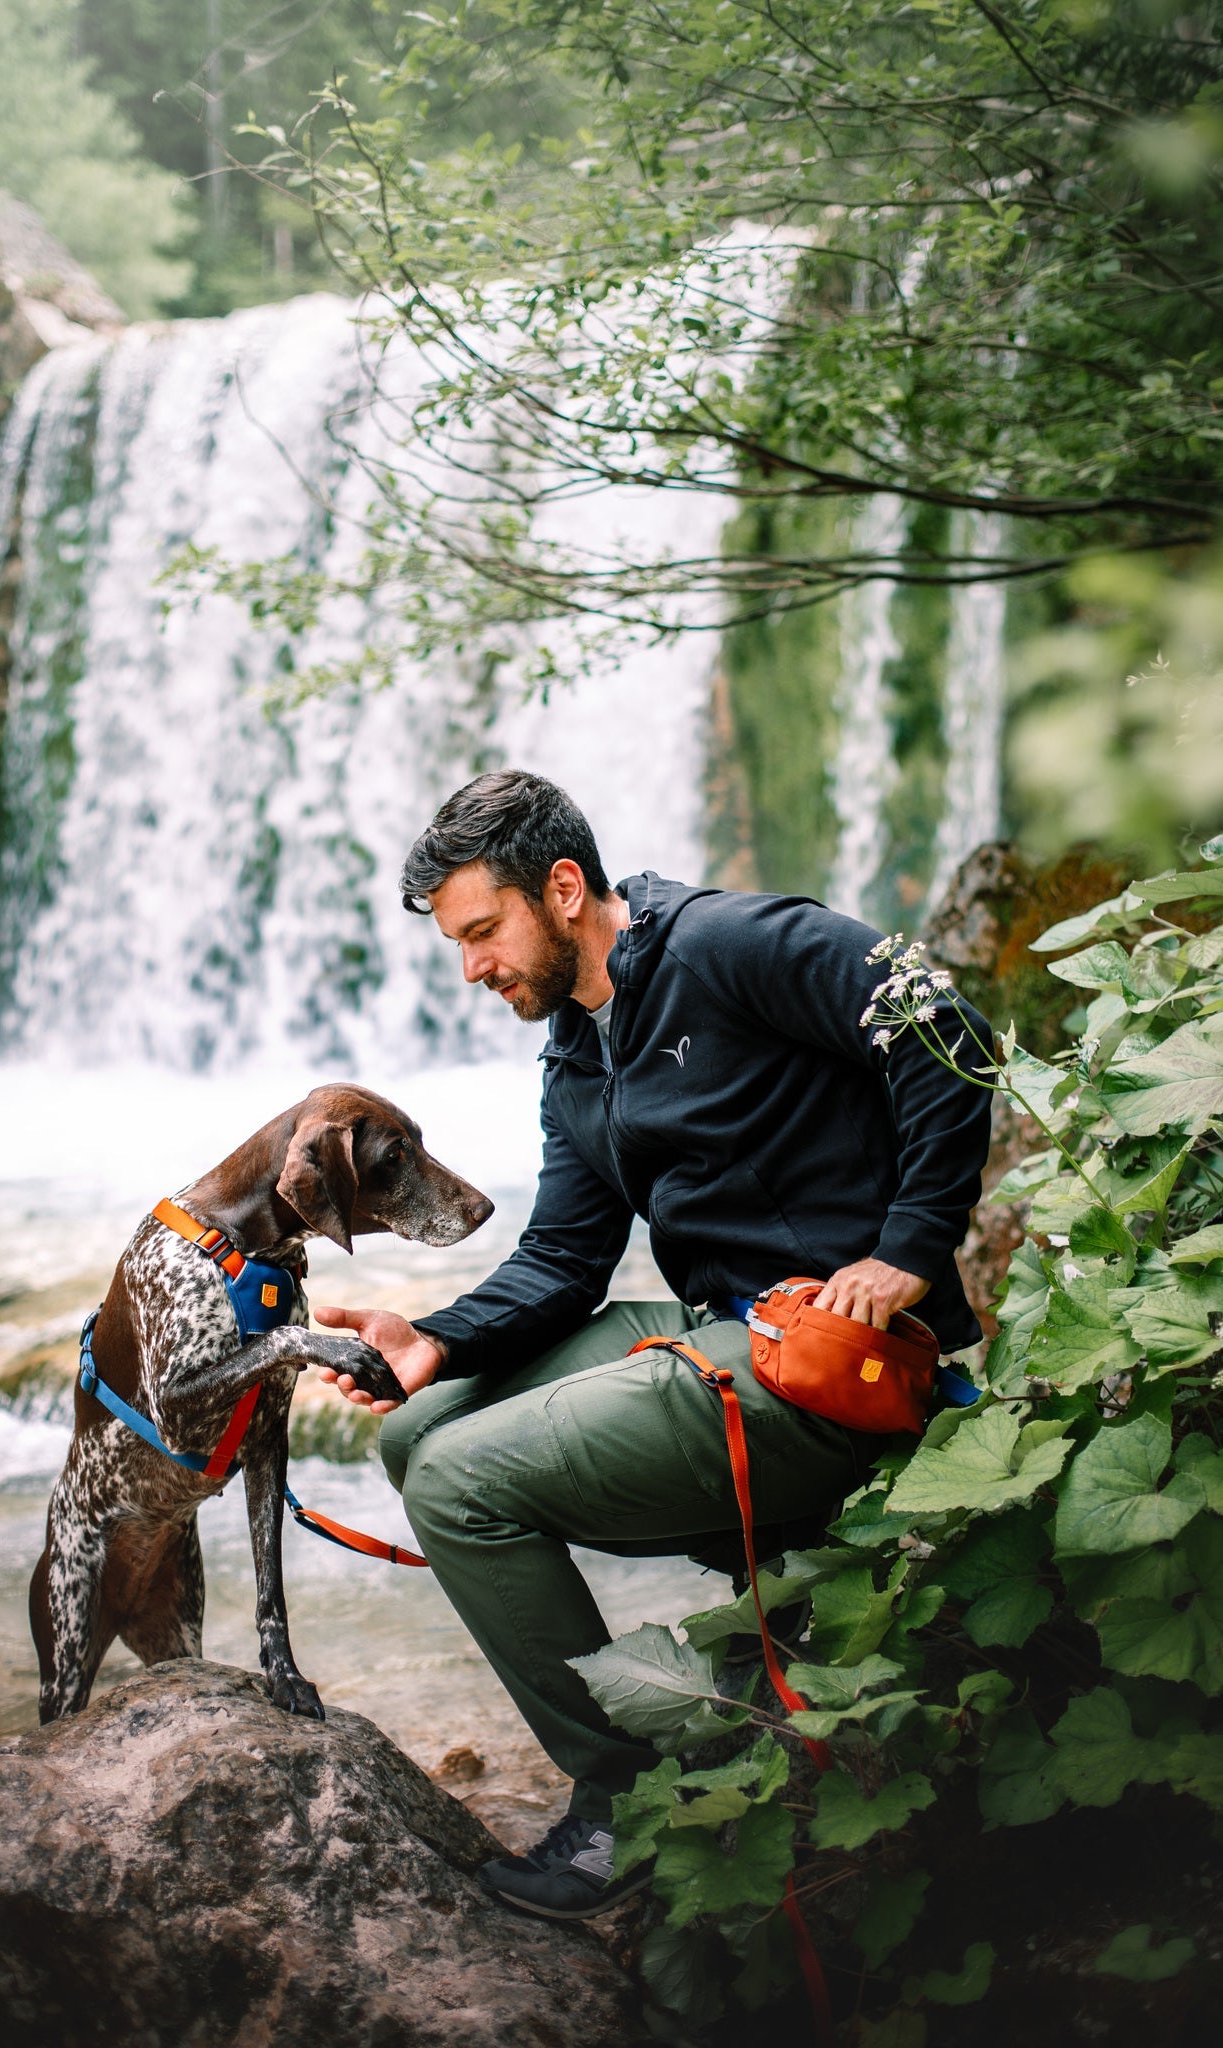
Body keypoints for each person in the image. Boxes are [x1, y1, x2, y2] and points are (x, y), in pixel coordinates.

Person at [312, 769, 991, 1919]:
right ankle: (748, 1594)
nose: (472, 967)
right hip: (721, 1335)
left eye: (483, 931)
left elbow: (938, 1018)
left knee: (469, 1482)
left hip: (839, 1365)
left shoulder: (731, 943)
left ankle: (622, 1803)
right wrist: (434, 1336)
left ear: (563, 888)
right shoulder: (578, 1050)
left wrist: (909, 1249)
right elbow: (566, 1259)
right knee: (423, 1428)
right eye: (458, 943)